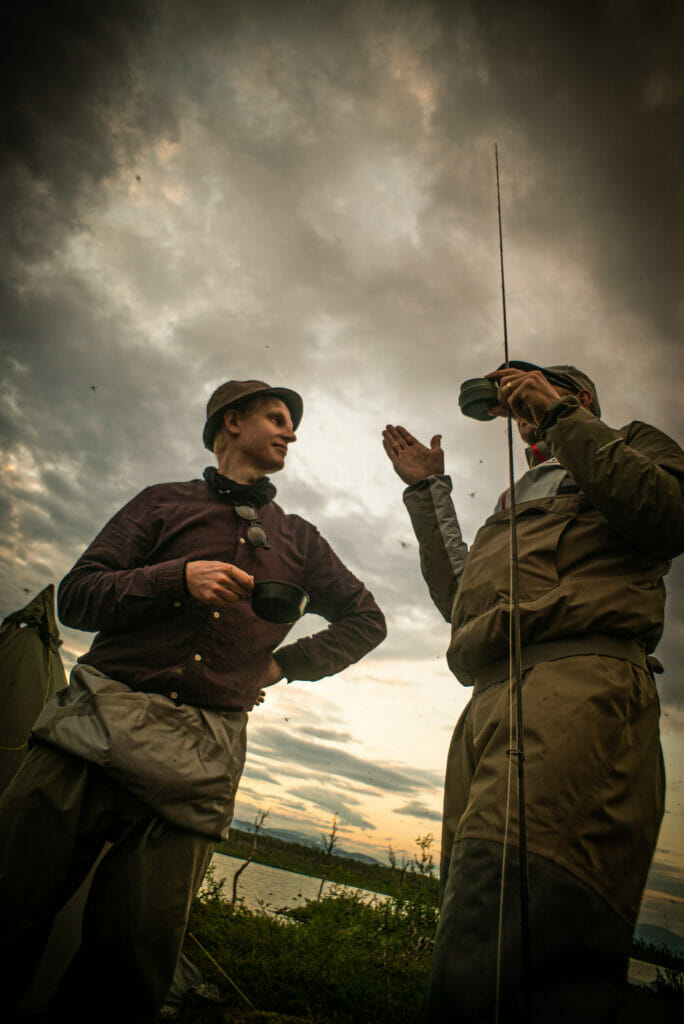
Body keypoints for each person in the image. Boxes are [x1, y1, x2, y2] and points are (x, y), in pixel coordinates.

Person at [0, 379, 386, 1023]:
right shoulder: (161, 503)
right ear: (230, 422)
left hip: (197, 763)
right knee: (7, 909)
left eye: (292, 423)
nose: (292, 432)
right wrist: (176, 578)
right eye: (277, 417)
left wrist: (282, 664)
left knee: (127, 969)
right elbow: (78, 597)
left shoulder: (301, 541)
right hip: (86, 733)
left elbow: (366, 620)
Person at [382, 361, 684, 1023]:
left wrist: (557, 412)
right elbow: (463, 600)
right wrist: (430, 492)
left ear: (576, 398)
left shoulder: (632, 445)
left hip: (577, 690)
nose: (515, 411)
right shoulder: (512, 502)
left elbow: (669, 517)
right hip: (487, 703)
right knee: (472, 919)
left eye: (524, 392)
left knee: (512, 916)